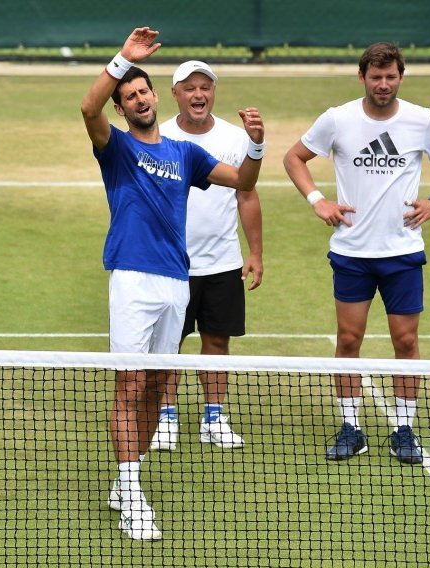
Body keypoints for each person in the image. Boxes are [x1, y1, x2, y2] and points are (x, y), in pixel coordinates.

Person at [81, 27, 265, 540]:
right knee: (130, 384)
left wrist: (256, 144)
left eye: (143, 91)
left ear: (155, 97)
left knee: (158, 387)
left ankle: (127, 479)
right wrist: (122, 59)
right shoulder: (114, 148)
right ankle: (133, 491)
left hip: (176, 282)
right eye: (129, 96)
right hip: (133, 280)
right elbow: (87, 108)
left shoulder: (186, 155)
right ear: (123, 109)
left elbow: (244, 183)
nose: (139, 99)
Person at [283, 42, 430, 465]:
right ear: (362, 77)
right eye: (375, 77)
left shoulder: (421, 120)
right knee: (349, 340)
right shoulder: (338, 119)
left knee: (406, 341)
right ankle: (351, 426)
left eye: (390, 77)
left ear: (401, 77)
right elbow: (295, 158)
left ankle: (404, 428)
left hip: (402, 253)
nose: (383, 84)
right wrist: (318, 201)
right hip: (351, 253)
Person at [150, 61, 264, 453]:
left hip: (222, 261)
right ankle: (165, 416)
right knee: (169, 345)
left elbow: (246, 194)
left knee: (217, 341)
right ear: (175, 94)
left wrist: (255, 253)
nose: (199, 94)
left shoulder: (236, 138)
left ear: (213, 92)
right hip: (171, 264)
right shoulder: (156, 136)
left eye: (205, 87)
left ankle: (214, 416)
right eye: (190, 88)